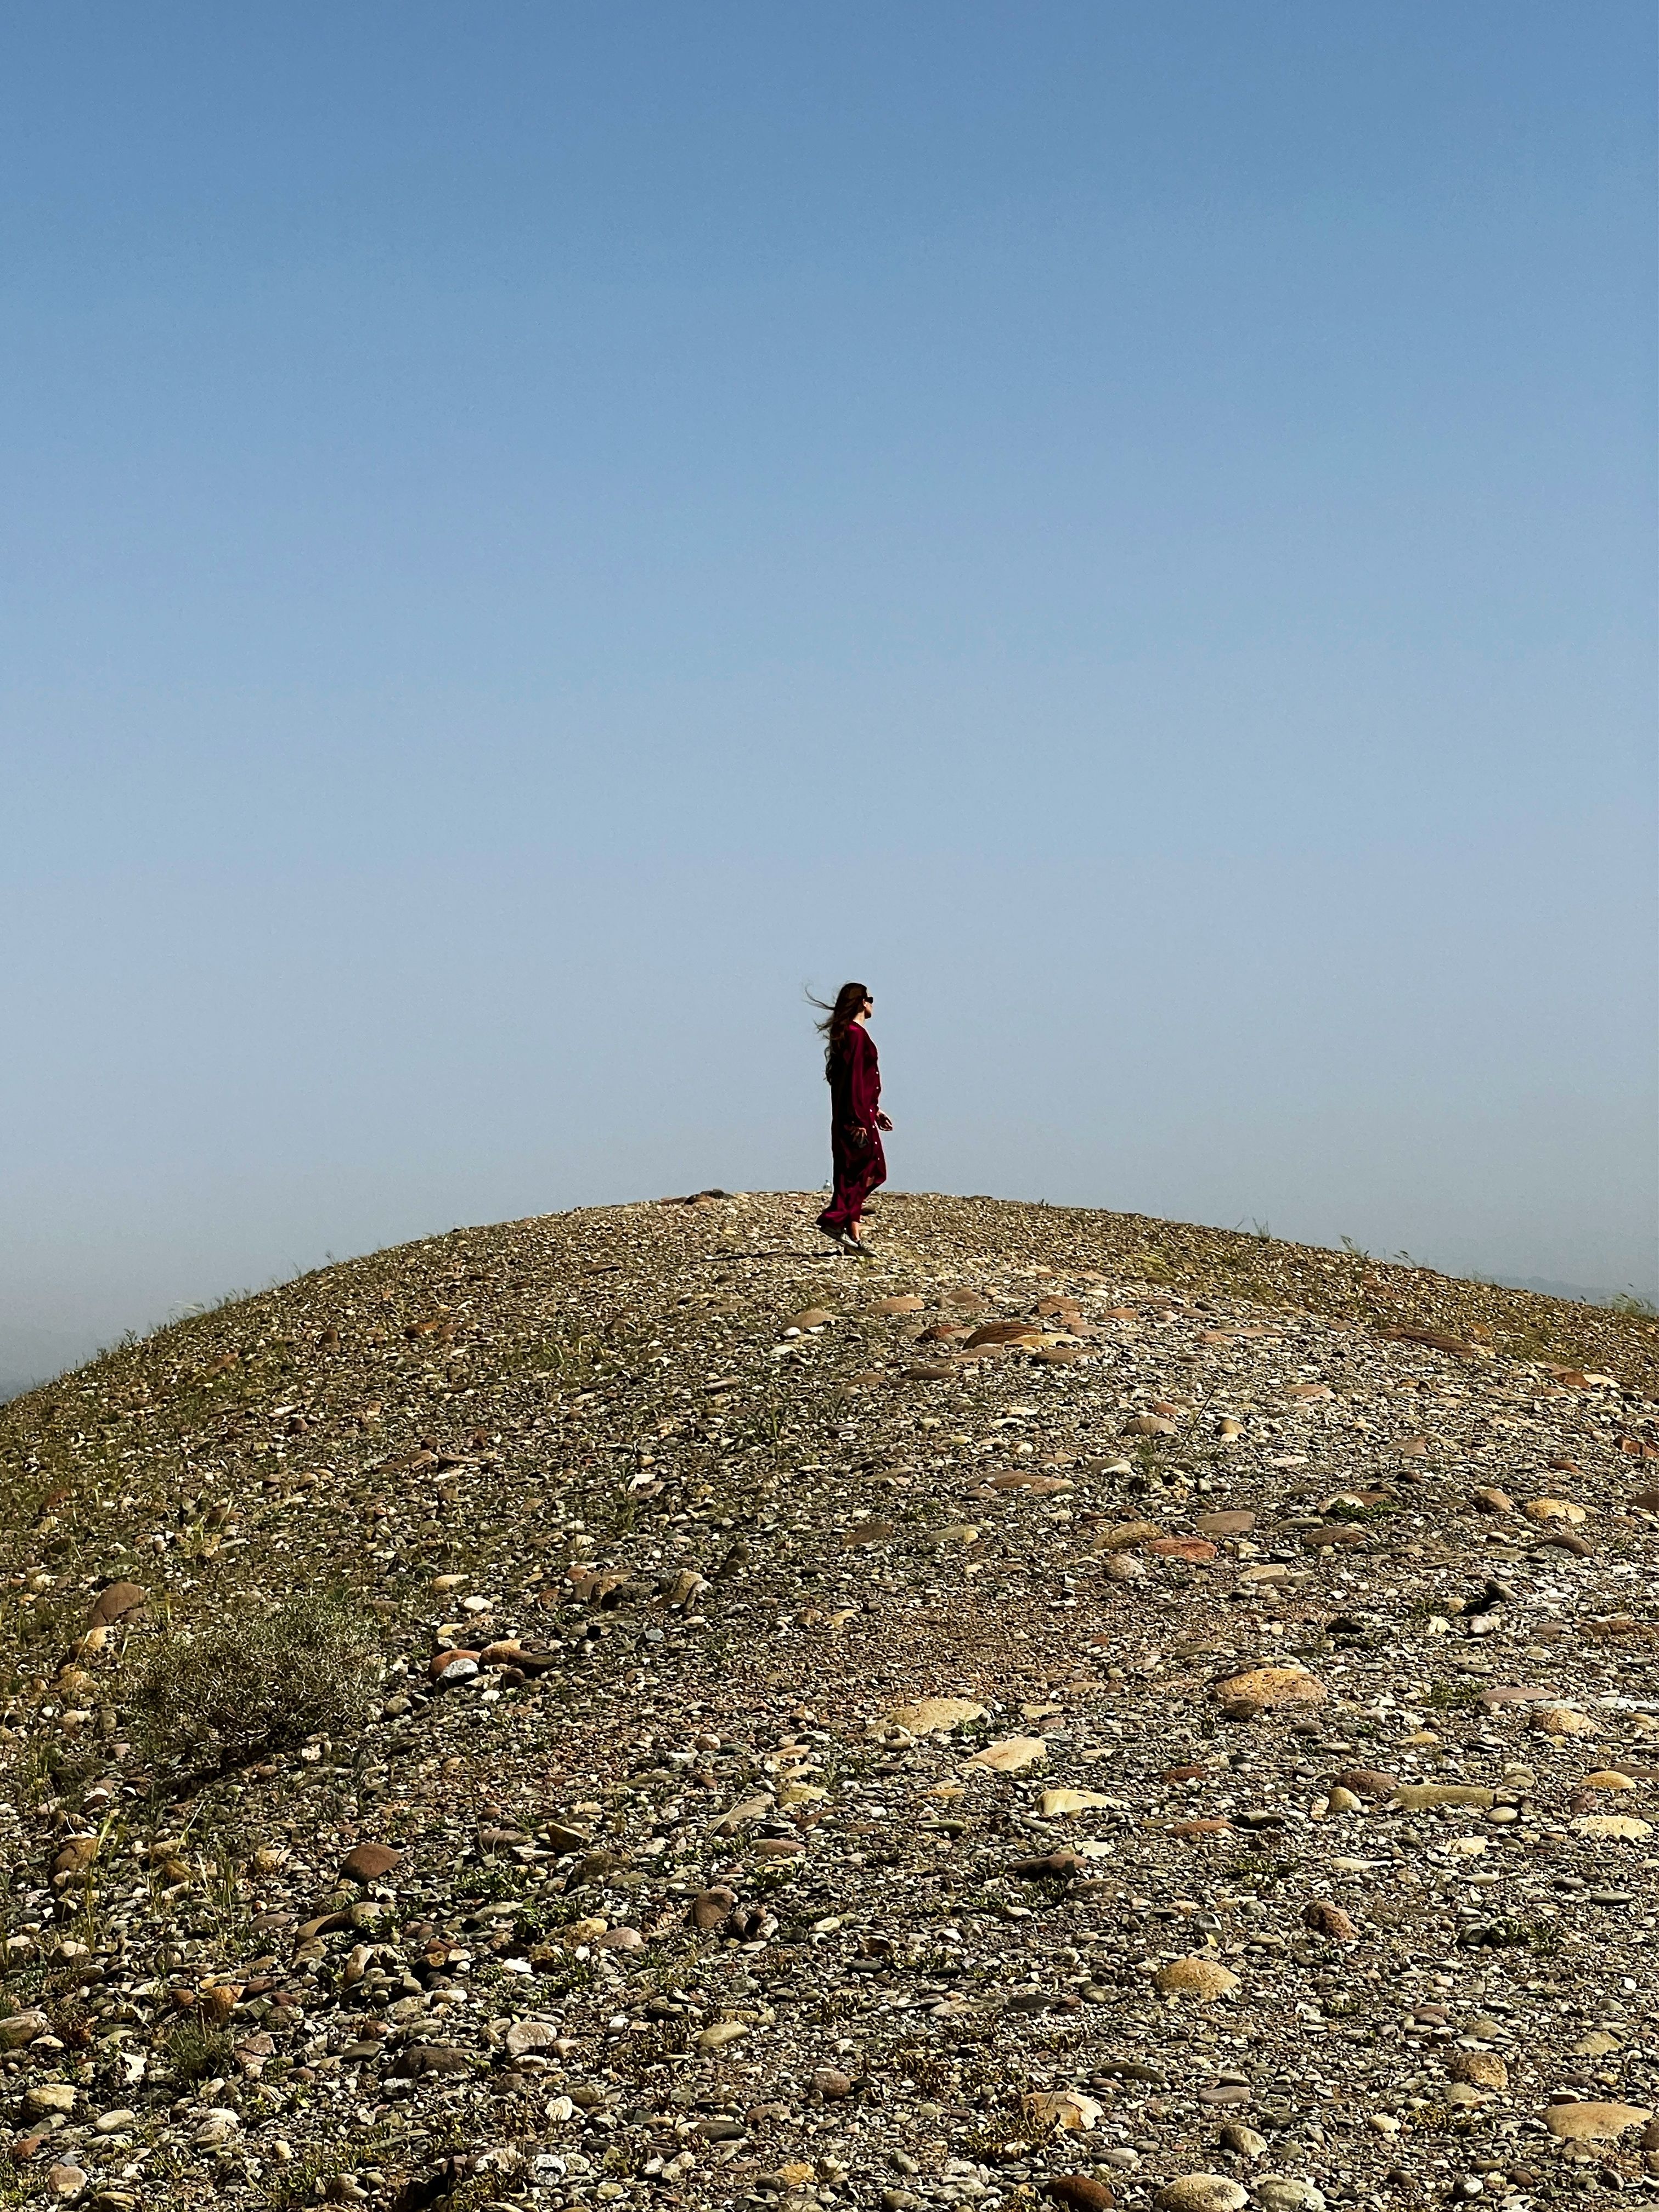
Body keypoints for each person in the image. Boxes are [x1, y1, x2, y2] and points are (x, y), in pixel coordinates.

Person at [811, 981, 893, 1250]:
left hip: (862, 1113)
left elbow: (857, 1079)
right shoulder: (855, 1035)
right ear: (860, 1002)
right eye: (869, 998)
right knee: (863, 1171)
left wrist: (875, 1109)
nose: (872, 1003)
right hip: (855, 1118)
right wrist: (859, 1119)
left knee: (866, 1171)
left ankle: (852, 1234)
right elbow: (854, 1081)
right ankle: (836, 1219)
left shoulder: (851, 1034)